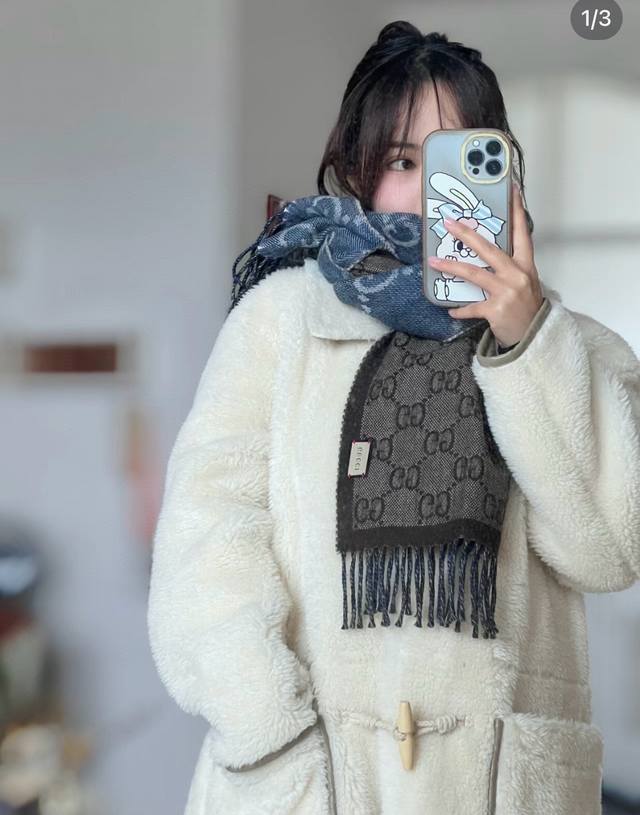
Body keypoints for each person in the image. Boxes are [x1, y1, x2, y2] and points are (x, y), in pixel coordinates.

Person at [147, 20, 640, 815]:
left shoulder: (576, 352)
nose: (430, 193)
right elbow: (206, 537)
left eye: (457, 161)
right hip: (309, 784)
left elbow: (611, 548)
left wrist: (528, 341)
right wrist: (269, 731)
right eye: (405, 162)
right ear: (359, 171)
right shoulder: (280, 320)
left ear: (502, 171)